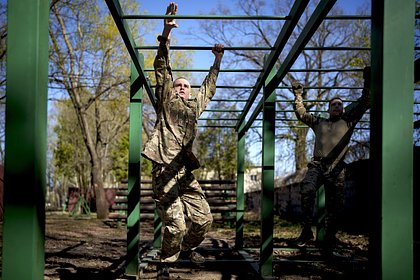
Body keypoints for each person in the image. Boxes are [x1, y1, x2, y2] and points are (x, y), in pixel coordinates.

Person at [141, 2, 224, 276]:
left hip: (185, 171)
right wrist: (166, 31)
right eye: (180, 84)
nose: (183, 87)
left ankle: (186, 250)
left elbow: (208, 88)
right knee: (175, 224)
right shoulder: (166, 100)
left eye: (187, 86)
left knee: (203, 220)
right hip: (164, 169)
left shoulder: (194, 107)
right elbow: (162, 67)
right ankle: (166, 264)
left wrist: (217, 60)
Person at [291, 66, 371, 254]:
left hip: (337, 168)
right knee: (307, 190)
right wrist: (298, 94)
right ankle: (306, 231)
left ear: (343, 109)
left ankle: (329, 239)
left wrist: (367, 79)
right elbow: (301, 113)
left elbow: (365, 101)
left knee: (336, 206)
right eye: (334, 104)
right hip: (318, 165)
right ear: (328, 108)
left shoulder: (348, 121)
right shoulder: (319, 122)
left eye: (339, 105)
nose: (337, 106)